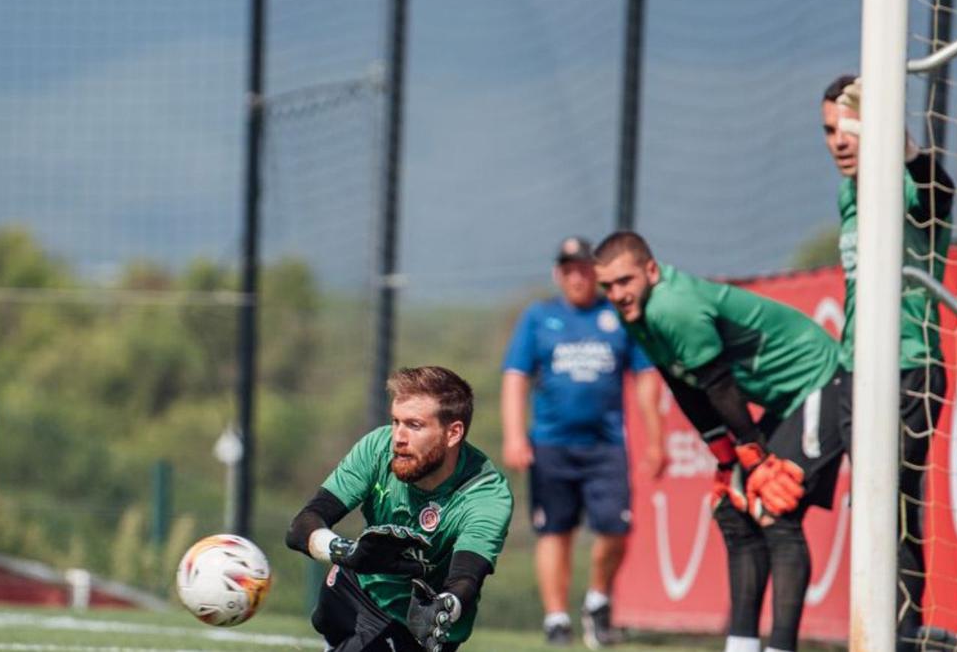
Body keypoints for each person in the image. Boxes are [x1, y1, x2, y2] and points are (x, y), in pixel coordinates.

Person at [593, 231, 845, 652]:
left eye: (625, 281)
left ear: (651, 271)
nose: (617, 294)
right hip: (784, 400)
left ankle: (781, 647)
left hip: (821, 381)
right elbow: (685, 386)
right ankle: (741, 644)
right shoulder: (634, 313)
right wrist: (726, 458)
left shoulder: (673, 306)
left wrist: (754, 457)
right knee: (734, 508)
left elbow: (718, 385)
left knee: (774, 509)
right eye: (609, 286)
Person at [823, 75, 957, 651]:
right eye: (829, 130)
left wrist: (901, 144)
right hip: (856, 369)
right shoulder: (846, 195)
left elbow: (939, 194)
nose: (838, 141)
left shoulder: (907, 181)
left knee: (894, 496)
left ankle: (901, 635)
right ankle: (885, 631)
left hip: (911, 368)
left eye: (850, 127)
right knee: (868, 502)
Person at [501, 236, 665, 648]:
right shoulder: (539, 318)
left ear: (596, 273)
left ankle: (597, 600)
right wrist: (514, 435)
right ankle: (556, 619)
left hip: (606, 446)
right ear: (559, 274)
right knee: (555, 532)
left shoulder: (617, 317)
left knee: (616, 530)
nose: (577, 276)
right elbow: (515, 377)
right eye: (569, 268)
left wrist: (656, 438)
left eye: (584, 268)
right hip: (552, 445)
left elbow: (646, 377)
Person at [285, 366, 513, 652]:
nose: (398, 437)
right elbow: (302, 526)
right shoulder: (378, 448)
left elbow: (466, 577)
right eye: (396, 421)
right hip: (354, 589)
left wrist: (446, 606)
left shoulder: (485, 492)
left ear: (453, 433)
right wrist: (348, 553)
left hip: (416, 624)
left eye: (414, 425)